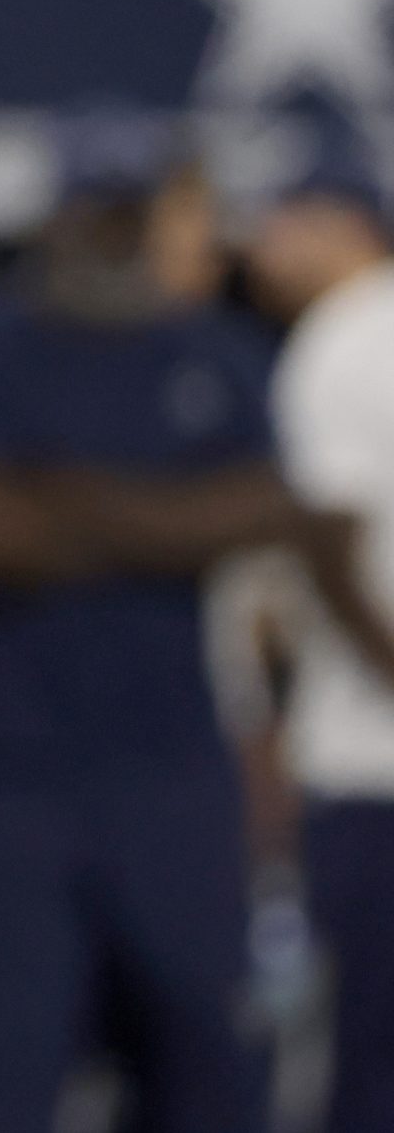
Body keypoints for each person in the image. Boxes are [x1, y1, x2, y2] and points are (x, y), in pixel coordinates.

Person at [0, 111, 302, 1133]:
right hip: (19, 775)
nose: (115, 235)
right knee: (21, 1066)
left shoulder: (214, 354)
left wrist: (52, 503)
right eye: (97, 212)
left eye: (133, 212)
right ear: (59, 219)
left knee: (205, 1056)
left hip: (174, 771)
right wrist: (162, 515)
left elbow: (264, 509)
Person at [240, 136, 394, 1133]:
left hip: (366, 757)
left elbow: (326, 544)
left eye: (278, 225)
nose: (258, 251)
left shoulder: (342, 336)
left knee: (358, 1063)